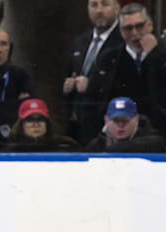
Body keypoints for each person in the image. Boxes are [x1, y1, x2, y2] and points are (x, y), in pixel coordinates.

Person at [112, 3, 166, 141]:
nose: (135, 33)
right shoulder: (111, 57)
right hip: (123, 132)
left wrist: (155, 54)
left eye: (140, 26)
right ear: (121, 31)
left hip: (164, 130)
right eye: (128, 28)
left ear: (150, 25)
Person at [63, 0, 124, 146]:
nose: (99, 10)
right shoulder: (80, 41)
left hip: (106, 127)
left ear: (117, 9)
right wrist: (67, 86)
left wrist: (91, 85)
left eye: (105, 4)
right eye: (94, 5)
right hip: (77, 124)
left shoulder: (122, 40)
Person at [83, 96, 165, 152]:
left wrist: (115, 149)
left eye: (125, 120)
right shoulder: (95, 147)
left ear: (136, 119)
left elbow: (158, 143)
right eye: (115, 121)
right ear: (106, 120)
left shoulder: (152, 143)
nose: (121, 125)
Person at [3, 98, 79, 153]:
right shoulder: (12, 150)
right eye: (30, 120)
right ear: (21, 124)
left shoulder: (63, 145)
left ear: (47, 123)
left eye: (41, 119)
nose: (36, 125)